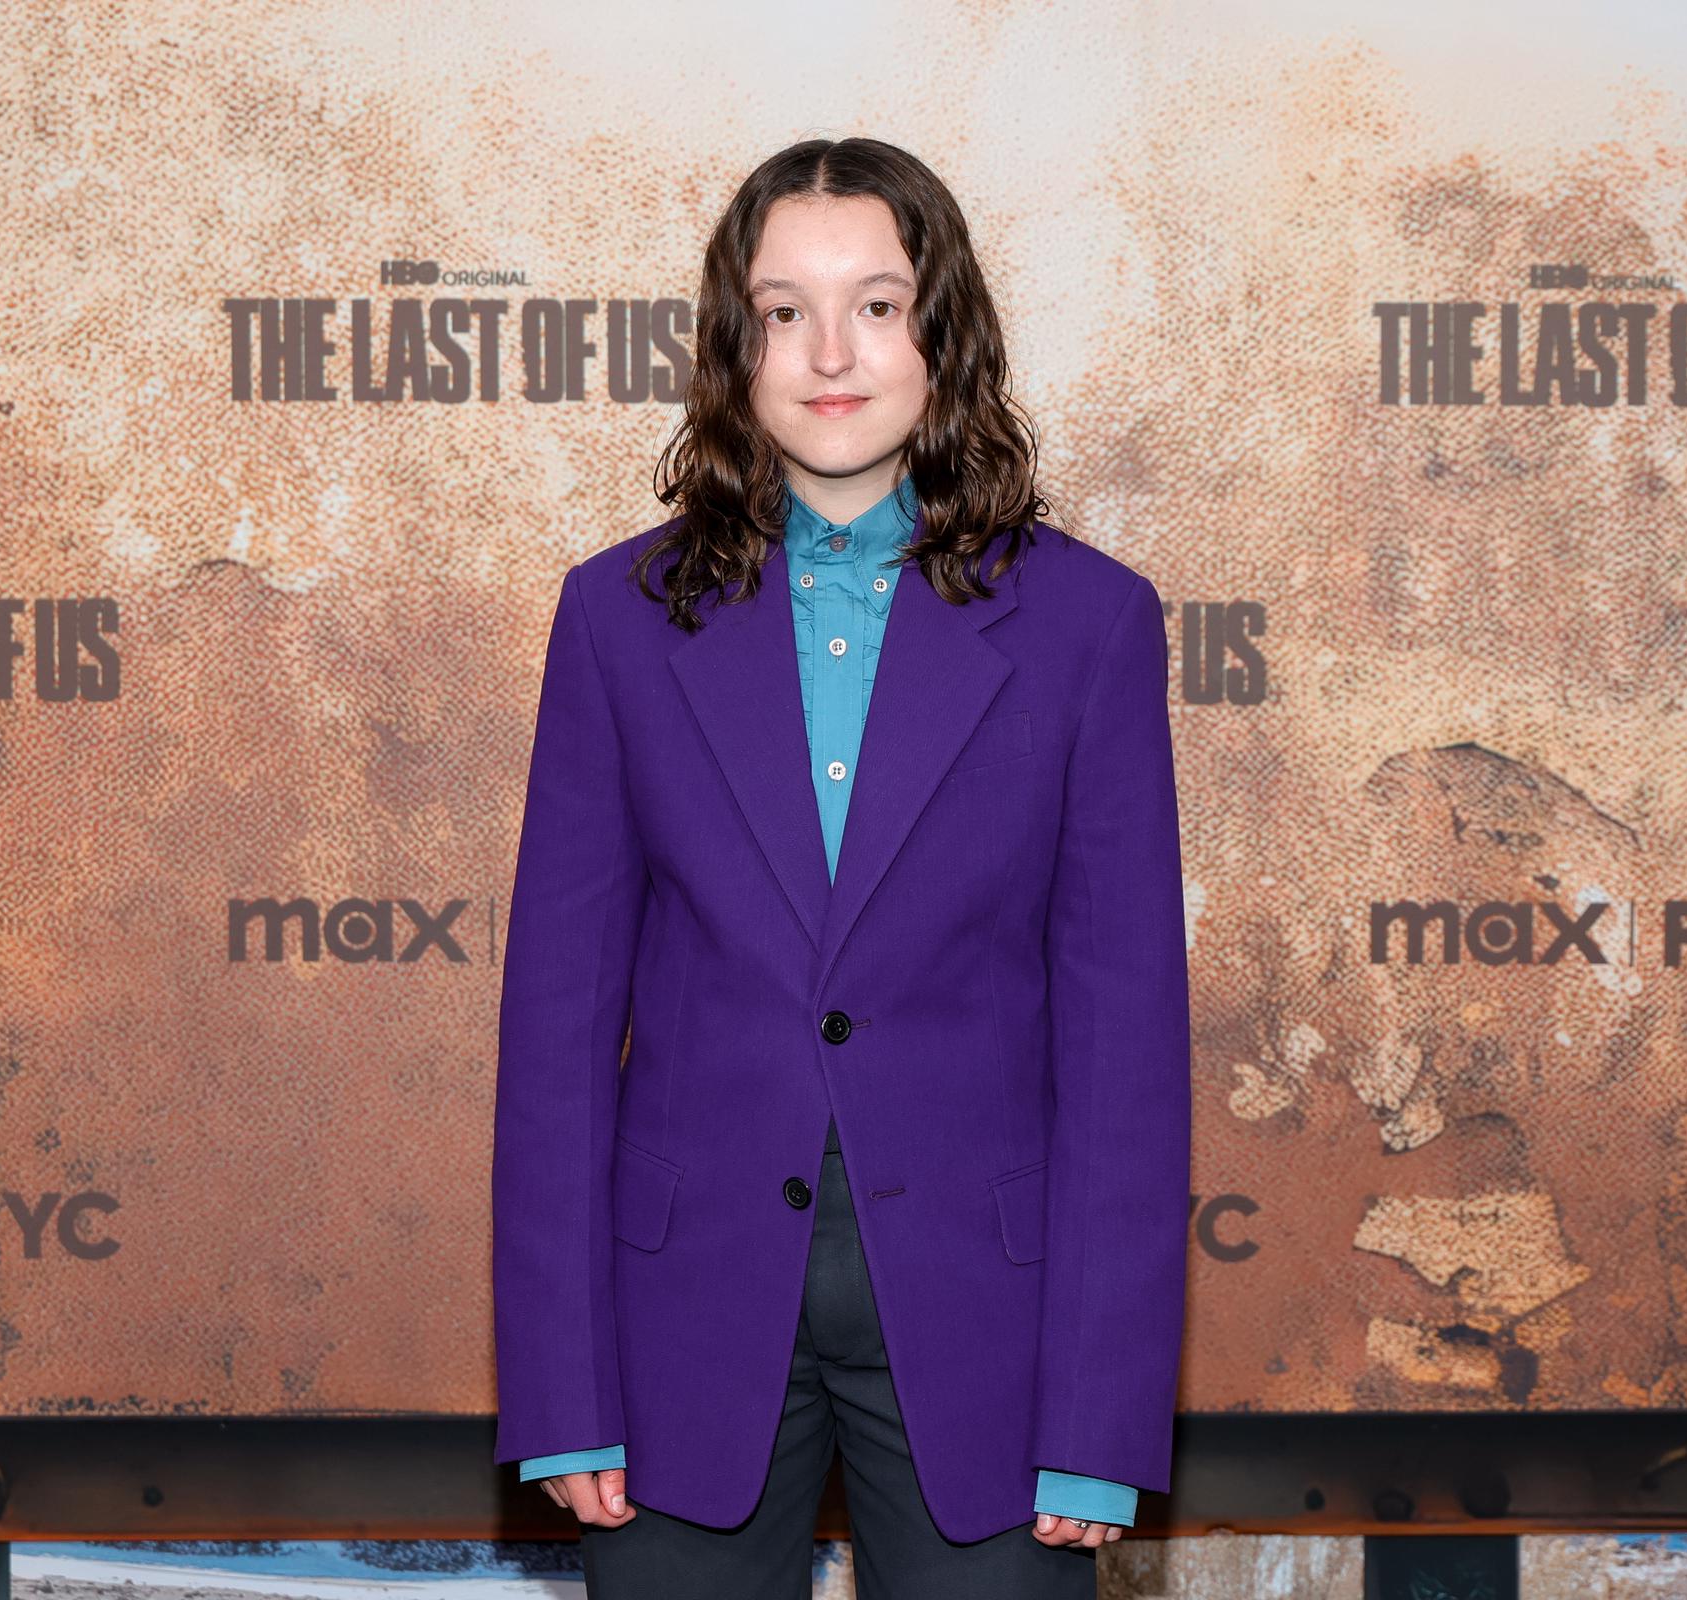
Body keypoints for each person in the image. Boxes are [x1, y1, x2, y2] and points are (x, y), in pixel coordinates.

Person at [490, 135, 1191, 1599]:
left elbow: (1124, 1047)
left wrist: (1099, 1419)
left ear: (946, 333)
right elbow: (555, 1031)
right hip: (678, 1330)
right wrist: (562, 1390)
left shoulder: (1089, 624)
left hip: (993, 1341)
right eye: (784, 310)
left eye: (877, 305)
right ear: (733, 343)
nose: (830, 353)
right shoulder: (618, 617)